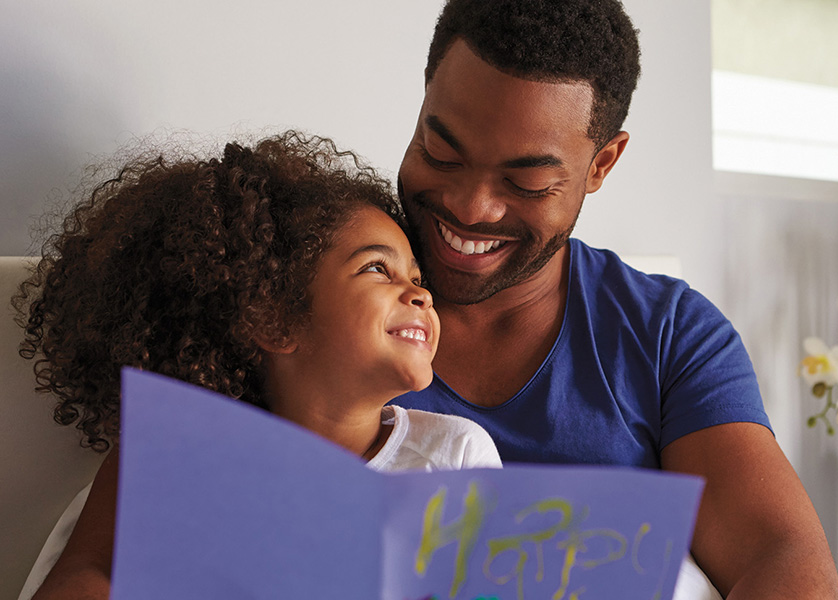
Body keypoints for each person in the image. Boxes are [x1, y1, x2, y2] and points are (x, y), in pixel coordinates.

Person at [389, 0, 838, 598]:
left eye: (525, 183)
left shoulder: (667, 335)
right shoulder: (308, 283)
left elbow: (779, 554)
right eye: (442, 152)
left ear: (601, 163)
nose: (472, 207)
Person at [14, 131, 501, 598]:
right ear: (274, 318)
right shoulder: (173, 460)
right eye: (377, 268)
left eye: (417, 277)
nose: (421, 293)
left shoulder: (453, 457)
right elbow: (82, 582)